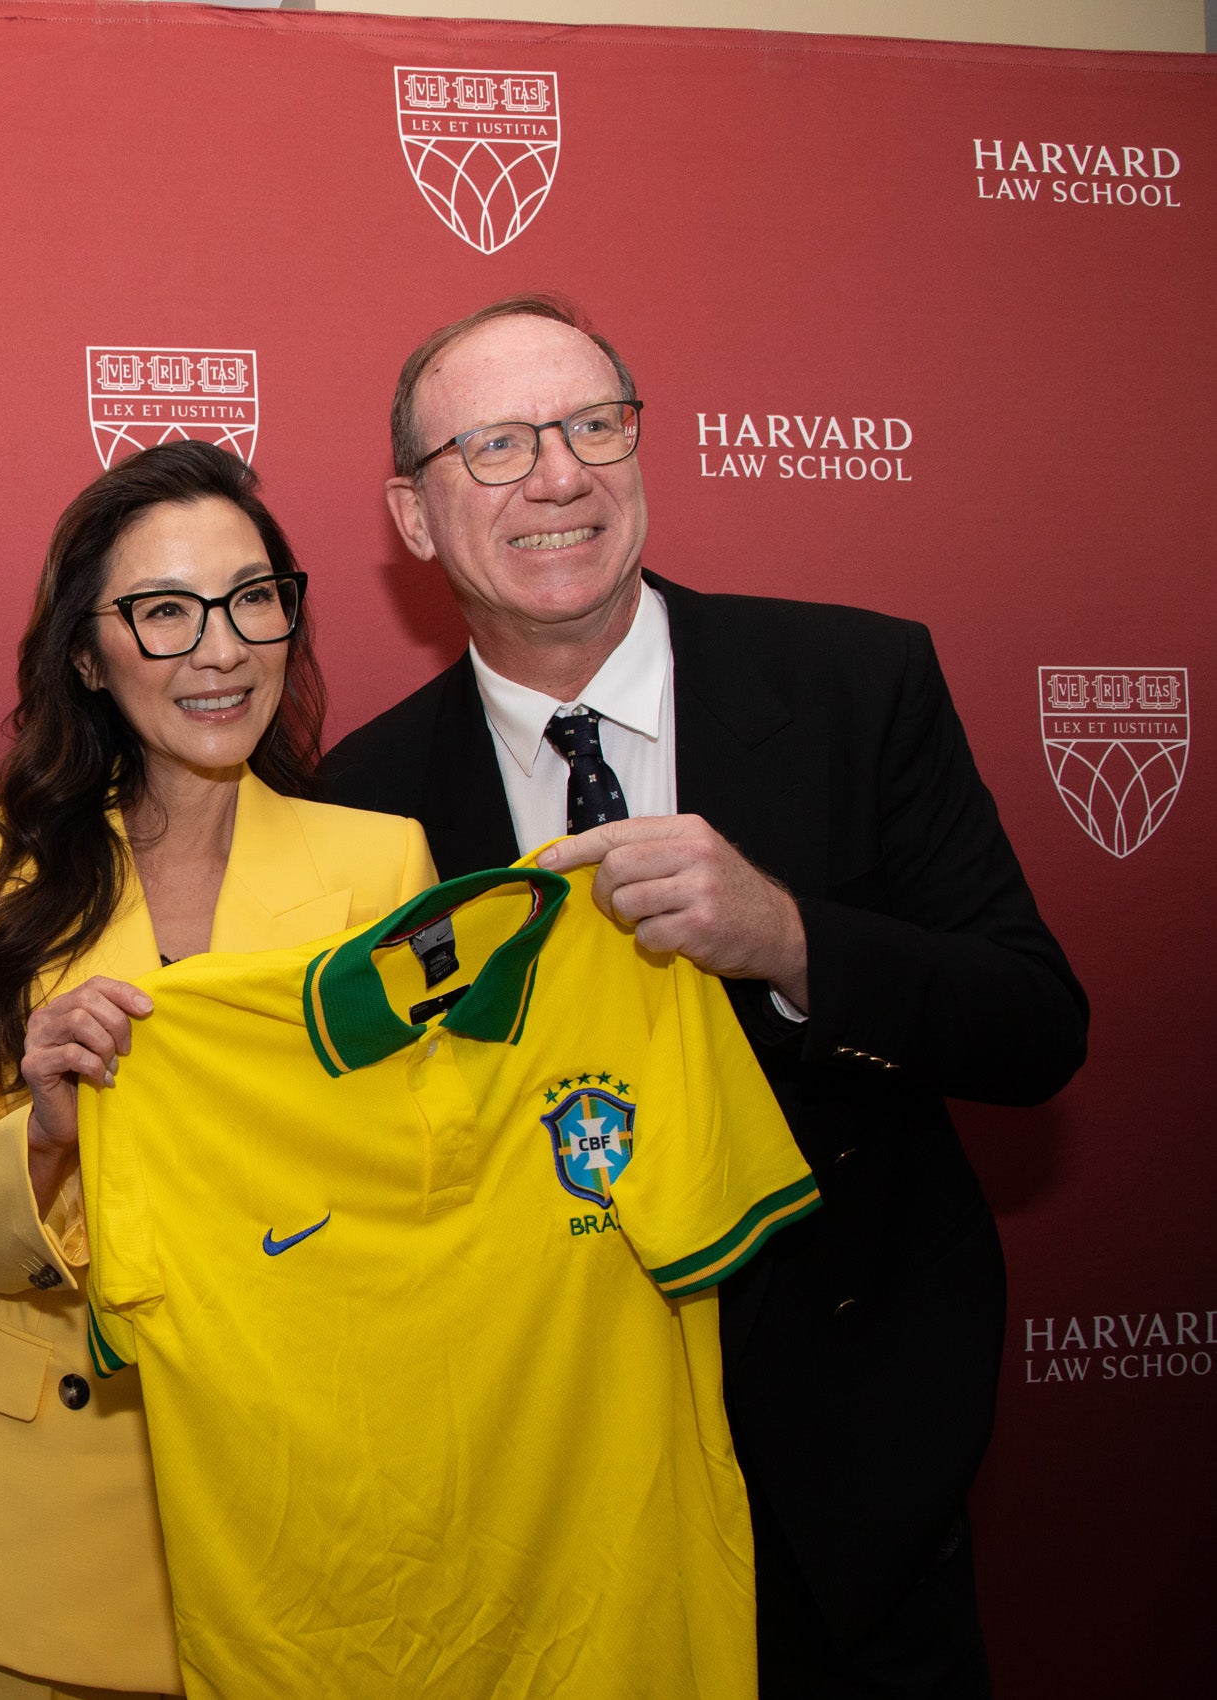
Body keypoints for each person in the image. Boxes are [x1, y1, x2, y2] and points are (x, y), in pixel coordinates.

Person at [318, 294, 1087, 1696]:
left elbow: (1033, 1026)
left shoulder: (858, 682)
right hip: (533, 1496)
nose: (557, 476)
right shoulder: (357, 804)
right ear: (413, 518)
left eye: (592, 425)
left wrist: (791, 938)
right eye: (493, 447)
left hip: (849, 1477)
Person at [0, 441, 436, 1700]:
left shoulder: (382, 867)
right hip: (34, 1538)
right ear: (87, 654)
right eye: (164, 610)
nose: (222, 646)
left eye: (255, 597)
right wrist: (41, 1128)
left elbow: (425, 1187)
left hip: (309, 1509)